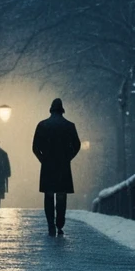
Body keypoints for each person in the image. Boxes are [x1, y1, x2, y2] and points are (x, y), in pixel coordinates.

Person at [32, 97, 81, 236]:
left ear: (51, 109)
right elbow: (77, 145)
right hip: (63, 165)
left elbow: (35, 147)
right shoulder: (69, 126)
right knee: (61, 195)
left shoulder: (42, 125)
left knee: (48, 195)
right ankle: (60, 222)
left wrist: (43, 159)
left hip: (48, 165)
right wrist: (67, 157)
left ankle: (50, 224)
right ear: (62, 110)